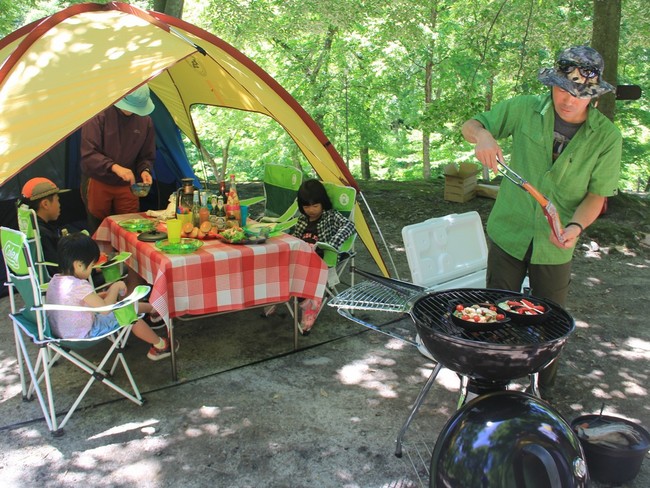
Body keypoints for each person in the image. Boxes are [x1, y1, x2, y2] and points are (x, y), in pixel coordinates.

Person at [461, 45, 622, 391]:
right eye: (563, 88)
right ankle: (490, 385)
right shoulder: (523, 108)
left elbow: (597, 194)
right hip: (510, 231)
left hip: (556, 244)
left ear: (593, 95)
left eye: (579, 93)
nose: (568, 99)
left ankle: (542, 393)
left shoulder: (607, 137)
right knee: (495, 311)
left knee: (550, 322)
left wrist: (576, 228)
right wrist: (484, 136)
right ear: (551, 84)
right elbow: (471, 125)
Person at [45, 233, 175, 361]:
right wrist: (115, 287)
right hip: (85, 333)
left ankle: (152, 310)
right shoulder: (79, 285)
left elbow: (77, 302)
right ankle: (160, 345)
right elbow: (105, 309)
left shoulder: (55, 281)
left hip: (61, 332)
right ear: (78, 265)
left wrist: (104, 295)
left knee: (120, 305)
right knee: (127, 313)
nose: (92, 270)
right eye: (91, 266)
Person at [80, 84, 156, 233]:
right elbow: (89, 154)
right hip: (98, 180)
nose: (133, 112)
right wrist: (114, 167)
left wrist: (145, 170)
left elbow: (146, 155)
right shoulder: (99, 115)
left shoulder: (145, 121)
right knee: (99, 229)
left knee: (130, 228)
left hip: (128, 184)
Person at [283, 179, 356, 334]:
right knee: (280, 262)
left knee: (301, 273)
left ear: (323, 203)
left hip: (321, 258)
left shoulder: (331, 216)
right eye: (306, 206)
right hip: (302, 258)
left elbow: (349, 226)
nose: (311, 210)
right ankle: (280, 296)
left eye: (315, 205)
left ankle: (309, 305)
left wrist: (333, 243)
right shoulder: (302, 220)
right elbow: (296, 238)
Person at [19, 177, 70, 277]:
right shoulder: (43, 234)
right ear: (45, 204)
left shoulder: (28, 228)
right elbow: (58, 269)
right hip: (61, 284)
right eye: (57, 200)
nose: (59, 205)